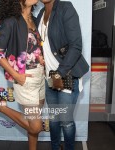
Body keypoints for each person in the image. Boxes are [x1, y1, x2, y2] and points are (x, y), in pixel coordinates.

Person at [0, 0, 45, 150]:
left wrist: (40, 57)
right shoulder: (11, 21)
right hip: (24, 78)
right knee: (36, 126)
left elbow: (32, 47)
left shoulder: (33, 18)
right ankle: (0, 106)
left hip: (41, 76)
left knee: (32, 120)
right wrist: (16, 75)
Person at [36, 0, 89, 150]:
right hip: (49, 77)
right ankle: (55, 147)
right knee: (53, 119)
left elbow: (76, 45)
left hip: (67, 75)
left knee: (65, 121)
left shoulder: (65, 8)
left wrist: (59, 74)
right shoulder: (40, 14)